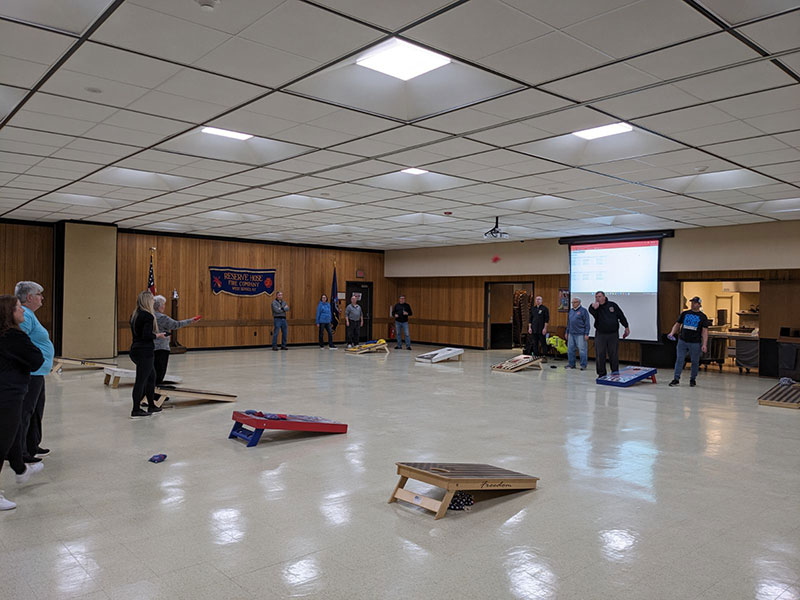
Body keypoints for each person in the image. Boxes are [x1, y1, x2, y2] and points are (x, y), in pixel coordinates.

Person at [0, 295, 45, 510]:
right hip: (8, 394)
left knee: (14, 431)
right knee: (3, 441)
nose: (23, 312)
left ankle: (20, 468)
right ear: (10, 313)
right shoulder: (13, 337)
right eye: (19, 308)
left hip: (9, 392)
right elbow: (36, 359)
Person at [14, 281, 54, 464]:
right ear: (29, 297)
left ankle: (32, 445)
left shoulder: (30, 315)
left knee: (36, 410)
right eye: (39, 294)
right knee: (26, 412)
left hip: (39, 372)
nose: (42, 298)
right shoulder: (26, 316)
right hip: (31, 373)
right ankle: (20, 451)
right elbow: (20, 342)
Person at [150, 295, 201, 405]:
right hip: (161, 348)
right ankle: (155, 395)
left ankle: (150, 393)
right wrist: (191, 320)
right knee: (159, 373)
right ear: (159, 306)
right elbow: (176, 325)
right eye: (163, 305)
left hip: (150, 347)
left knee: (152, 372)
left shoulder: (149, 316)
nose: (164, 307)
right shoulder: (162, 318)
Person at [129, 291, 167, 419]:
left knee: (151, 378)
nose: (153, 301)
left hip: (135, 349)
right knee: (141, 380)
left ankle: (152, 405)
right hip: (144, 351)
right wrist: (158, 335)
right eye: (152, 299)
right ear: (147, 301)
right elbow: (146, 336)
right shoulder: (148, 316)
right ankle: (135, 409)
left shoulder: (135, 315)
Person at [668, 296, 709, 388]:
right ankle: (676, 378)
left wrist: (704, 344)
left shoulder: (702, 317)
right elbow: (677, 324)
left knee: (695, 361)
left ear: (699, 304)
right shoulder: (685, 314)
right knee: (679, 359)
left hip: (695, 342)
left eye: (694, 303)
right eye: (691, 302)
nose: (692, 304)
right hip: (683, 341)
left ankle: (692, 379)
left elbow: (705, 331)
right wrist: (672, 333)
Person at [588, 291, 630, 377]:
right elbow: (591, 311)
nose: (597, 298)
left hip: (613, 334)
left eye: (599, 296)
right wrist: (593, 307)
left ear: (604, 297)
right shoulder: (595, 307)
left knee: (613, 354)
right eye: (596, 297)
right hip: (601, 334)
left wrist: (626, 327)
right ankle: (601, 374)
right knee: (600, 354)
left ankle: (615, 372)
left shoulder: (612, 305)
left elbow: (621, 316)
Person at [566, 297, 590, 370]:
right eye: (572, 302)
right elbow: (569, 323)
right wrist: (567, 332)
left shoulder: (583, 311)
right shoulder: (571, 311)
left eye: (575, 302)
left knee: (582, 350)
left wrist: (586, 333)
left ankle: (583, 365)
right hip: (571, 333)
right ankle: (571, 364)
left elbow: (587, 323)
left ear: (579, 303)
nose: (573, 304)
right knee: (570, 349)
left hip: (580, 334)